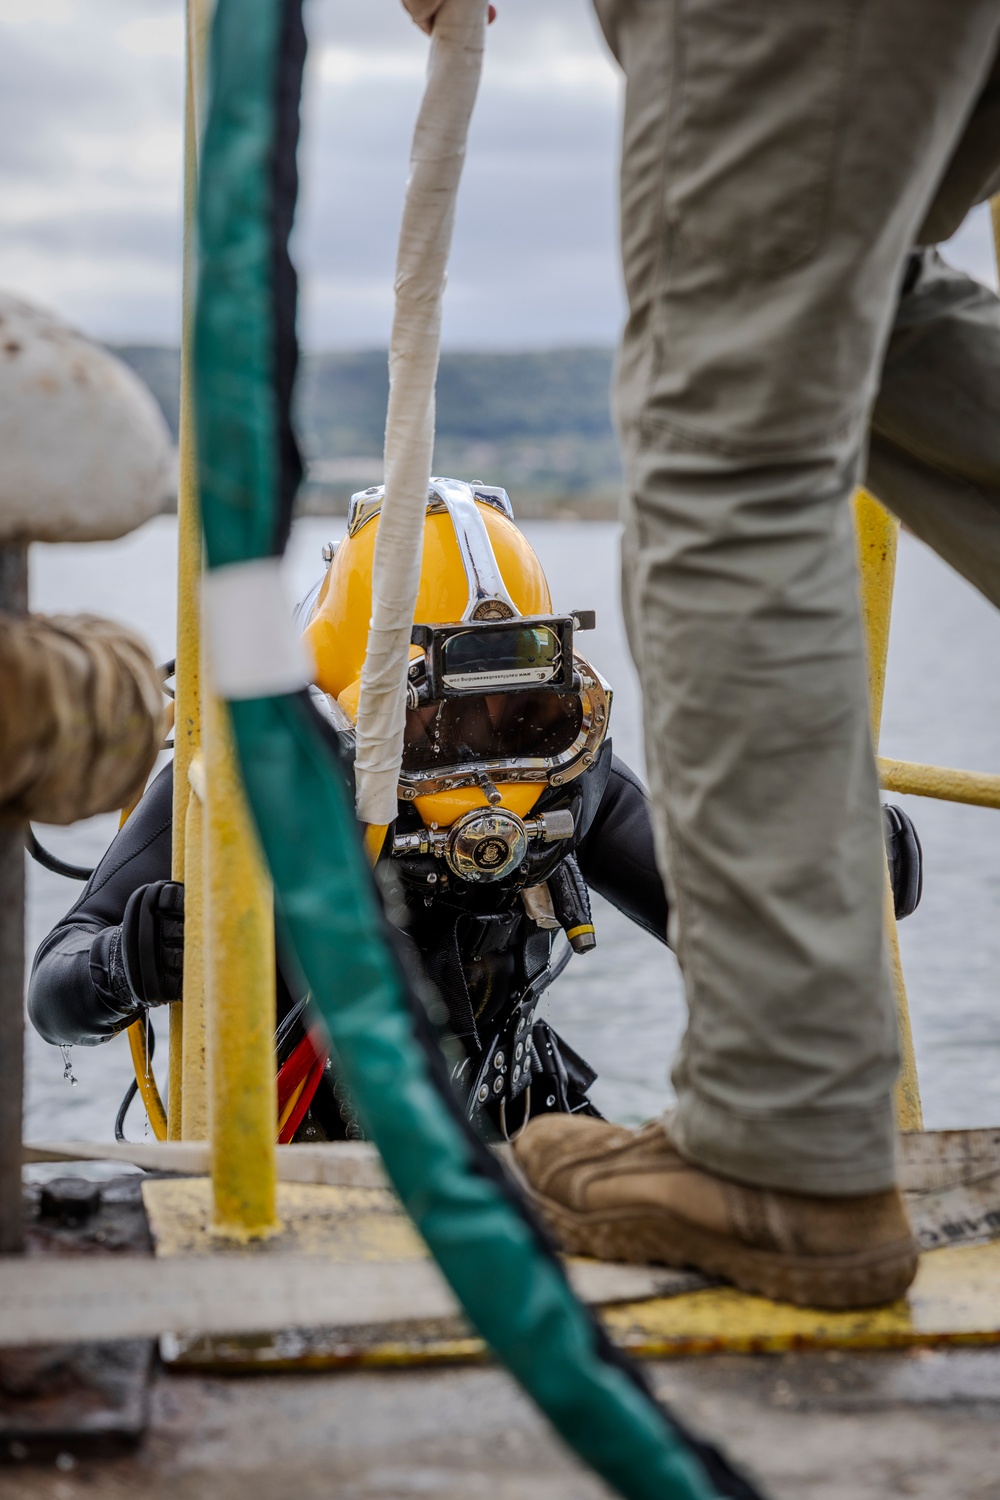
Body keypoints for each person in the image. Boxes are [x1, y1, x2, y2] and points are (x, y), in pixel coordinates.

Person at [403, 0, 1000, 1308]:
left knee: (724, 439)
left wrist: (871, 858)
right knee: (862, 305)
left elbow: (659, 862)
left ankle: (784, 1139)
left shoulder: (577, 792)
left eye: (521, 717)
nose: (494, 761)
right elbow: (73, 983)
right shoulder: (302, 797)